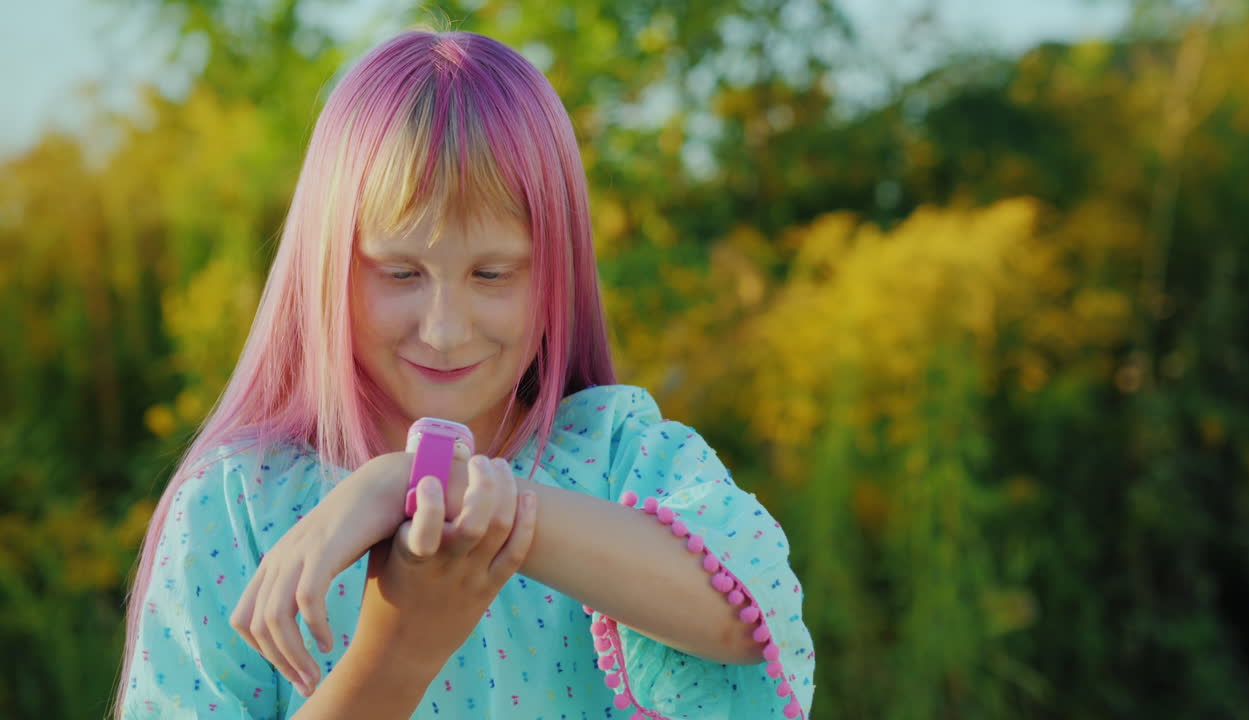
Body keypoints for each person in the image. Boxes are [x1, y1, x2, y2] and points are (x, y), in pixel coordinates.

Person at [114, 28, 814, 720]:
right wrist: (401, 647)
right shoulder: (238, 504)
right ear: (326, 264)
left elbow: (753, 614)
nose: (445, 329)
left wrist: (428, 486)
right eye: (399, 272)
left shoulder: (616, 453)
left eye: (491, 272)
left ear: (557, 270)